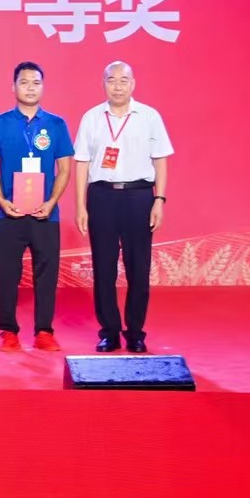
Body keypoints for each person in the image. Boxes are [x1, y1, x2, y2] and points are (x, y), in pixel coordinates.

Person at [73, 61, 172, 353]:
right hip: (102, 196)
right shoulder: (91, 117)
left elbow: (160, 160)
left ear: (133, 84)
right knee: (103, 268)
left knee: (138, 268)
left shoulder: (149, 117)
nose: (117, 86)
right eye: (111, 80)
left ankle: (136, 332)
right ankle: (109, 332)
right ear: (103, 83)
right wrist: (80, 206)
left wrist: (159, 199)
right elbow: (82, 164)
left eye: (123, 80)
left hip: (139, 196)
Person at [0, 61, 74, 351]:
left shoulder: (57, 124)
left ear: (43, 87)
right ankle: (8, 331)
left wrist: (51, 202)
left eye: (36, 82)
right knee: (8, 274)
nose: (30, 88)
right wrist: (2, 201)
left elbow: (64, 168)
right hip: (9, 213)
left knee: (46, 273)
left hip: (46, 214)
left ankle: (44, 331)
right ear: (13, 87)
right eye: (24, 82)